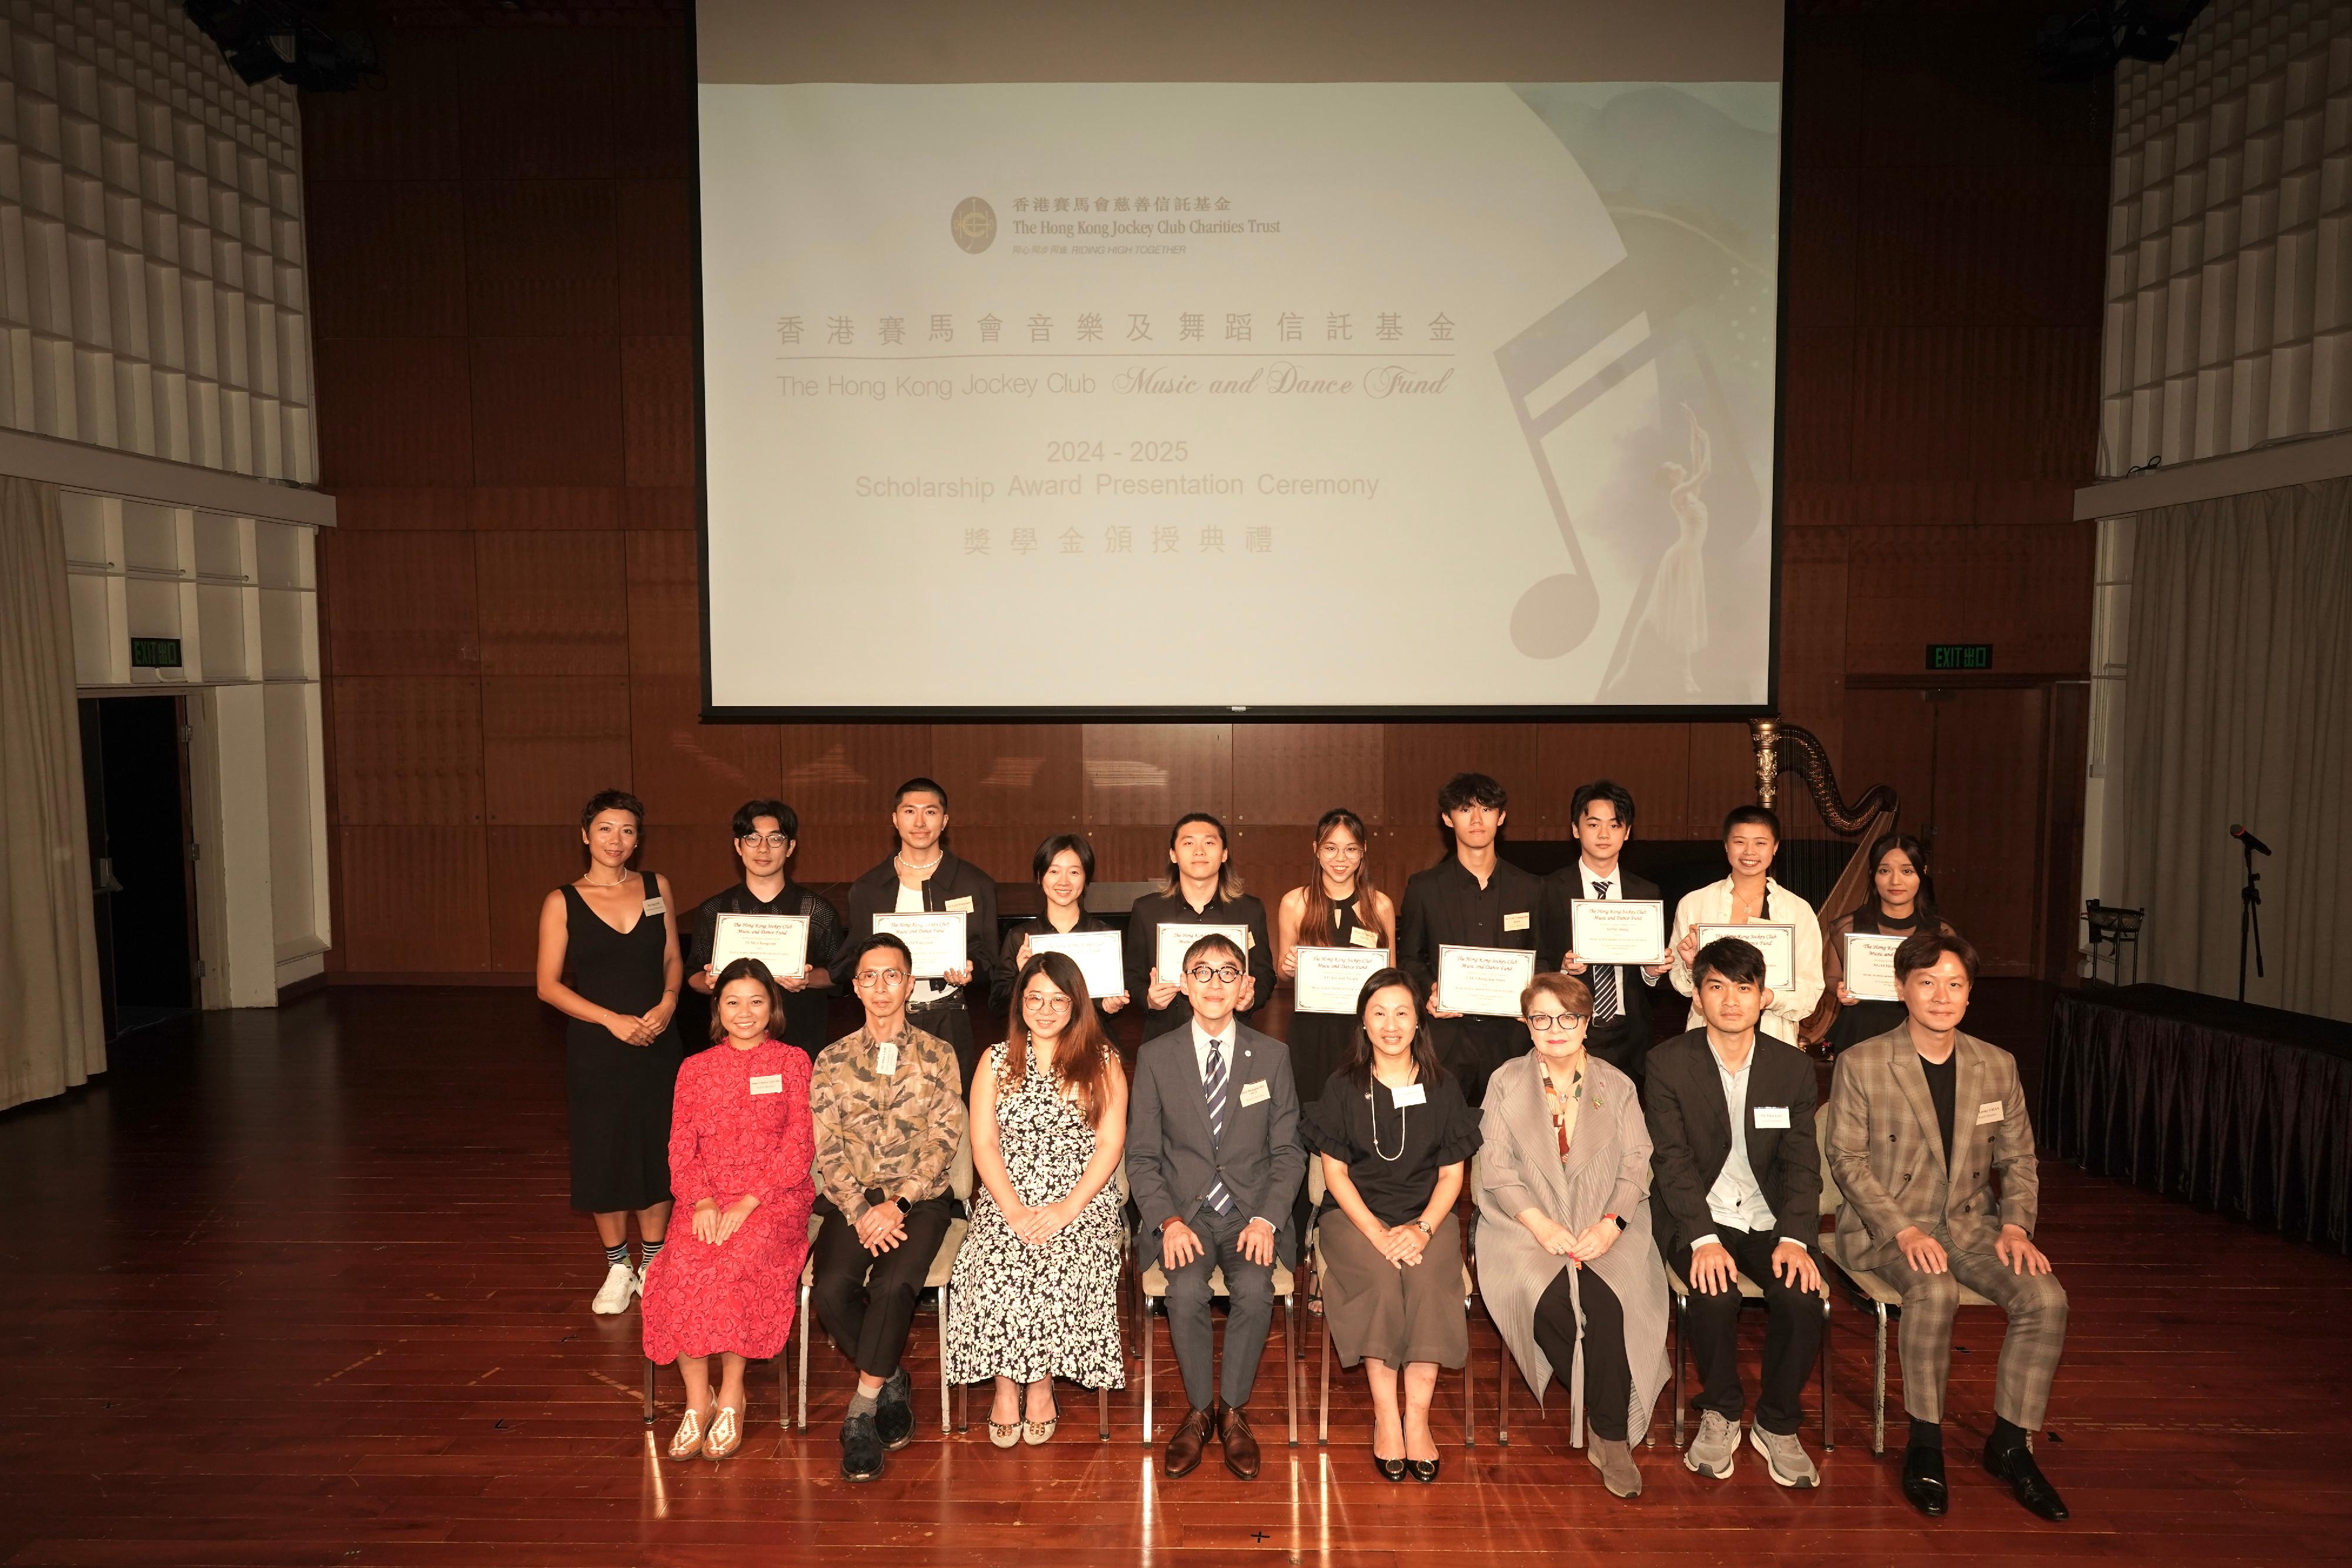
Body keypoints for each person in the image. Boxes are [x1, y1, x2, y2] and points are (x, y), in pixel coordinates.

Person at [1825, 931, 2070, 1523]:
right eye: (1927, 982)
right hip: (1887, 1231)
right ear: (1902, 988)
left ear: (1968, 995)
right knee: (1930, 1290)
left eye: (1954, 984)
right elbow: (1846, 1162)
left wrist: (2015, 1227)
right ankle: (1925, 1441)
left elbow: (2017, 1160)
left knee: (2046, 1298)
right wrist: (1904, 1231)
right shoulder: (1863, 1063)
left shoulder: (1996, 1065)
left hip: (1970, 1226)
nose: (1941, 996)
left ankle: (2009, 1444)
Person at [1475, 973, 1669, 1499]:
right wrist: (1540, 1224)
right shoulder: (1505, 1081)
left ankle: (1609, 1437)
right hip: (1522, 1222)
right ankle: (1608, 1411)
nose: (1554, 1028)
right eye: (1541, 1017)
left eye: (1567, 1017)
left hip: (1604, 1221)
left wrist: (1610, 1226)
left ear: (1586, 1022)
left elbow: (1636, 1165)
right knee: (1552, 1302)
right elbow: (1495, 1168)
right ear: (1526, 1023)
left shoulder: (1617, 1084)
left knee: (1607, 1306)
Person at [1644, 938, 1826, 1488]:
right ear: (1697, 997)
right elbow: (1671, 1160)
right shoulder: (1667, 1062)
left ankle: (1776, 1422)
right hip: (1698, 1212)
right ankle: (1721, 1410)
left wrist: (1796, 1235)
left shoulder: (1792, 1069)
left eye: (1743, 988)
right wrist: (1701, 1238)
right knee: (1713, 1292)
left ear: (1763, 996)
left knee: (1802, 1297)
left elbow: (1801, 1164)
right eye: (1716, 986)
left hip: (1771, 1217)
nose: (1730, 1000)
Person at [1125, 934, 1305, 1480]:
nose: (1215, 984)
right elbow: (1141, 1156)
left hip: (1251, 1213)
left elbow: (1289, 1152)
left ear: (1246, 987)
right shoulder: (1156, 1056)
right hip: (1186, 1213)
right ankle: (1199, 1410)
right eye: (1202, 972)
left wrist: (1268, 1217)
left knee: (1254, 1288)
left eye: (1229, 973)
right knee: (1184, 1290)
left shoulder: (1272, 1056)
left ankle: (1233, 1410)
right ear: (1184, 983)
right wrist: (1169, 1219)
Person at [1302, 969, 1481, 1483]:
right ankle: (1386, 1416)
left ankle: (1418, 1418)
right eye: (1379, 1012)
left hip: (1429, 1216)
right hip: (1355, 1217)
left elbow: (1453, 1174)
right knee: (1381, 1282)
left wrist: (1422, 1228)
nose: (1391, 1023)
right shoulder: (1342, 1086)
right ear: (1363, 1020)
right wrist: (1378, 1234)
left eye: (1402, 1012)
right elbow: (1334, 1174)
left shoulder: (1443, 1086)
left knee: (1427, 1283)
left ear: (1419, 1019)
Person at [944, 951, 1129, 1445]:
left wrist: (1066, 1209)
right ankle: (1006, 1386)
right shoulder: (996, 1058)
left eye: (1058, 1000)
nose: (1045, 1009)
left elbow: (1111, 1143)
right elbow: (983, 1144)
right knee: (992, 1264)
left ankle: (1042, 1384)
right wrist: (1013, 1209)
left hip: (1081, 1196)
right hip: (1009, 1193)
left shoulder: (1104, 1059)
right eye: (1035, 998)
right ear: (1020, 1002)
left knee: (1060, 1261)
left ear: (1076, 1005)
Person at [642, 959, 816, 1462]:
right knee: (679, 1267)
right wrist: (700, 1199)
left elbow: (799, 1143)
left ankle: (733, 1393)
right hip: (705, 1196)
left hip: (773, 1197)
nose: (745, 1012)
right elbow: (681, 1145)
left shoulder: (792, 1061)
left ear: (773, 1007)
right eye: (733, 1002)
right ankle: (699, 1401)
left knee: (734, 1266)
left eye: (756, 1001)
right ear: (717, 1007)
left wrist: (749, 1201)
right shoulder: (695, 1067)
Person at [809, 934, 967, 1483]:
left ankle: (858, 1412)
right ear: (855, 987)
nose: (881, 986)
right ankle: (890, 1378)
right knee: (830, 1290)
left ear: (910, 981)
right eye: (869, 976)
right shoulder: (831, 1059)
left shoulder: (939, 1053)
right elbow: (827, 1147)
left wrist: (898, 1203)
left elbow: (945, 1138)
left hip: (919, 1201)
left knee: (895, 1285)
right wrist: (860, 1209)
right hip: (852, 1202)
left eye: (892, 975)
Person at [533, 789, 686, 1316]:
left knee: (658, 1147)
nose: (616, 840)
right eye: (605, 829)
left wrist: (668, 1002)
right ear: (585, 835)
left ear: (637, 839)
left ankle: (657, 1262)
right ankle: (618, 1265)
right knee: (605, 1150)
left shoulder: (655, 886)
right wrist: (610, 1021)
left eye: (626, 830)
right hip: (598, 1044)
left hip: (658, 1038)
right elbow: (548, 986)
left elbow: (671, 957)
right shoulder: (562, 900)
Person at [837, 778, 998, 1087]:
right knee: (885, 1106)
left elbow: (991, 958)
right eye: (910, 811)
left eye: (931, 812)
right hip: (885, 1018)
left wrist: (972, 968)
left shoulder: (975, 884)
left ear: (945, 821)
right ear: (895, 820)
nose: (920, 822)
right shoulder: (868, 888)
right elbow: (850, 959)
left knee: (950, 1108)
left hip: (948, 1016)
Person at [1397, 772, 1542, 1108]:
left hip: (1512, 1039)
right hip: (1444, 1040)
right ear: (1448, 819)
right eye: (1465, 810)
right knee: (1440, 1141)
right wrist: (1430, 989)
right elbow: (1409, 959)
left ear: (1501, 817)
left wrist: (1533, 994)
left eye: (1487, 809)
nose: (1477, 819)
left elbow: (1544, 957)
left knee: (1512, 1144)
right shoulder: (1424, 888)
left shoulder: (1531, 889)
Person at [1535, 780, 1673, 1094]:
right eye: (1593, 824)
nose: (1603, 834)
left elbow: (1649, 975)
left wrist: (1652, 972)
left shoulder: (1646, 893)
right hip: (1570, 1028)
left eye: (1614, 825)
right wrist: (1562, 969)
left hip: (1631, 1033)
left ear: (1627, 832)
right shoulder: (1549, 890)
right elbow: (1538, 955)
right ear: (1575, 829)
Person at [687, 799, 845, 1054]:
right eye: (752, 838)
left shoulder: (818, 910)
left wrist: (806, 979)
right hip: (735, 1041)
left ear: (790, 847)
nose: (763, 849)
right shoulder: (715, 910)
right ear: (738, 846)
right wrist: (712, 981)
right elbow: (694, 976)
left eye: (775, 839)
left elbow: (838, 974)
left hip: (800, 1037)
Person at [1666, 805, 1824, 1047]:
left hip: (1773, 1034)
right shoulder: (1694, 903)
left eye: (1760, 843)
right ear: (1726, 845)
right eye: (1740, 842)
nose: (1749, 852)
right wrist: (1692, 965)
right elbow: (1683, 987)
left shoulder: (1797, 911)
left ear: (1775, 847)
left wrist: (1769, 997)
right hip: (1707, 1036)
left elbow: (1810, 990)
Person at [1274, 808, 1398, 1094]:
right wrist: (1289, 968)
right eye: (1331, 848)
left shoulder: (1381, 906)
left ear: (1363, 851)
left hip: (1364, 1030)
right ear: (1316, 849)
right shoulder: (1295, 903)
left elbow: (1392, 978)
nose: (1340, 859)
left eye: (1350, 849)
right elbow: (1281, 972)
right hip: (1312, 1030)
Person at [1125, 812, 1274, 1036]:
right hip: (1165, 1035)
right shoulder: (1146, 910)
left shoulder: (1249, 910)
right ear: (1173, 855)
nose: (1199, 851)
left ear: (1224, 854)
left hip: (1233, 1035)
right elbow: (1132, 974)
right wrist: (1149, 999)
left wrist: (1251, 1001)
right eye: (1188, 843)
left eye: (1209, 842)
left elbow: (1265, 975)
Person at [1817, 833, 1955, 1055]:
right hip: (1861, 1028)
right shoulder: (1847, 927)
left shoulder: (1941, 933)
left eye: (1907, 871)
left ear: (1923, 873)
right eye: (1885, 871)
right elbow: (1832, 977)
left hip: (1919, 1030)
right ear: (1873, 875)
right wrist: (1839, 990)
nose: (1896, 881)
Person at [991, 832, 1130, 1021]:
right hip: (1035, 1041)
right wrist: (1022, 976)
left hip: (1088, 1042)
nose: (1063, 882)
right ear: (1040, 877)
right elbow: (997, 1007)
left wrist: (1111, 1007)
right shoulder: (1020, 938)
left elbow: (1105, 1005)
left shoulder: (1104, 937)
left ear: (1086, 878)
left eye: (1074, 872)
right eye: (1054, 871)